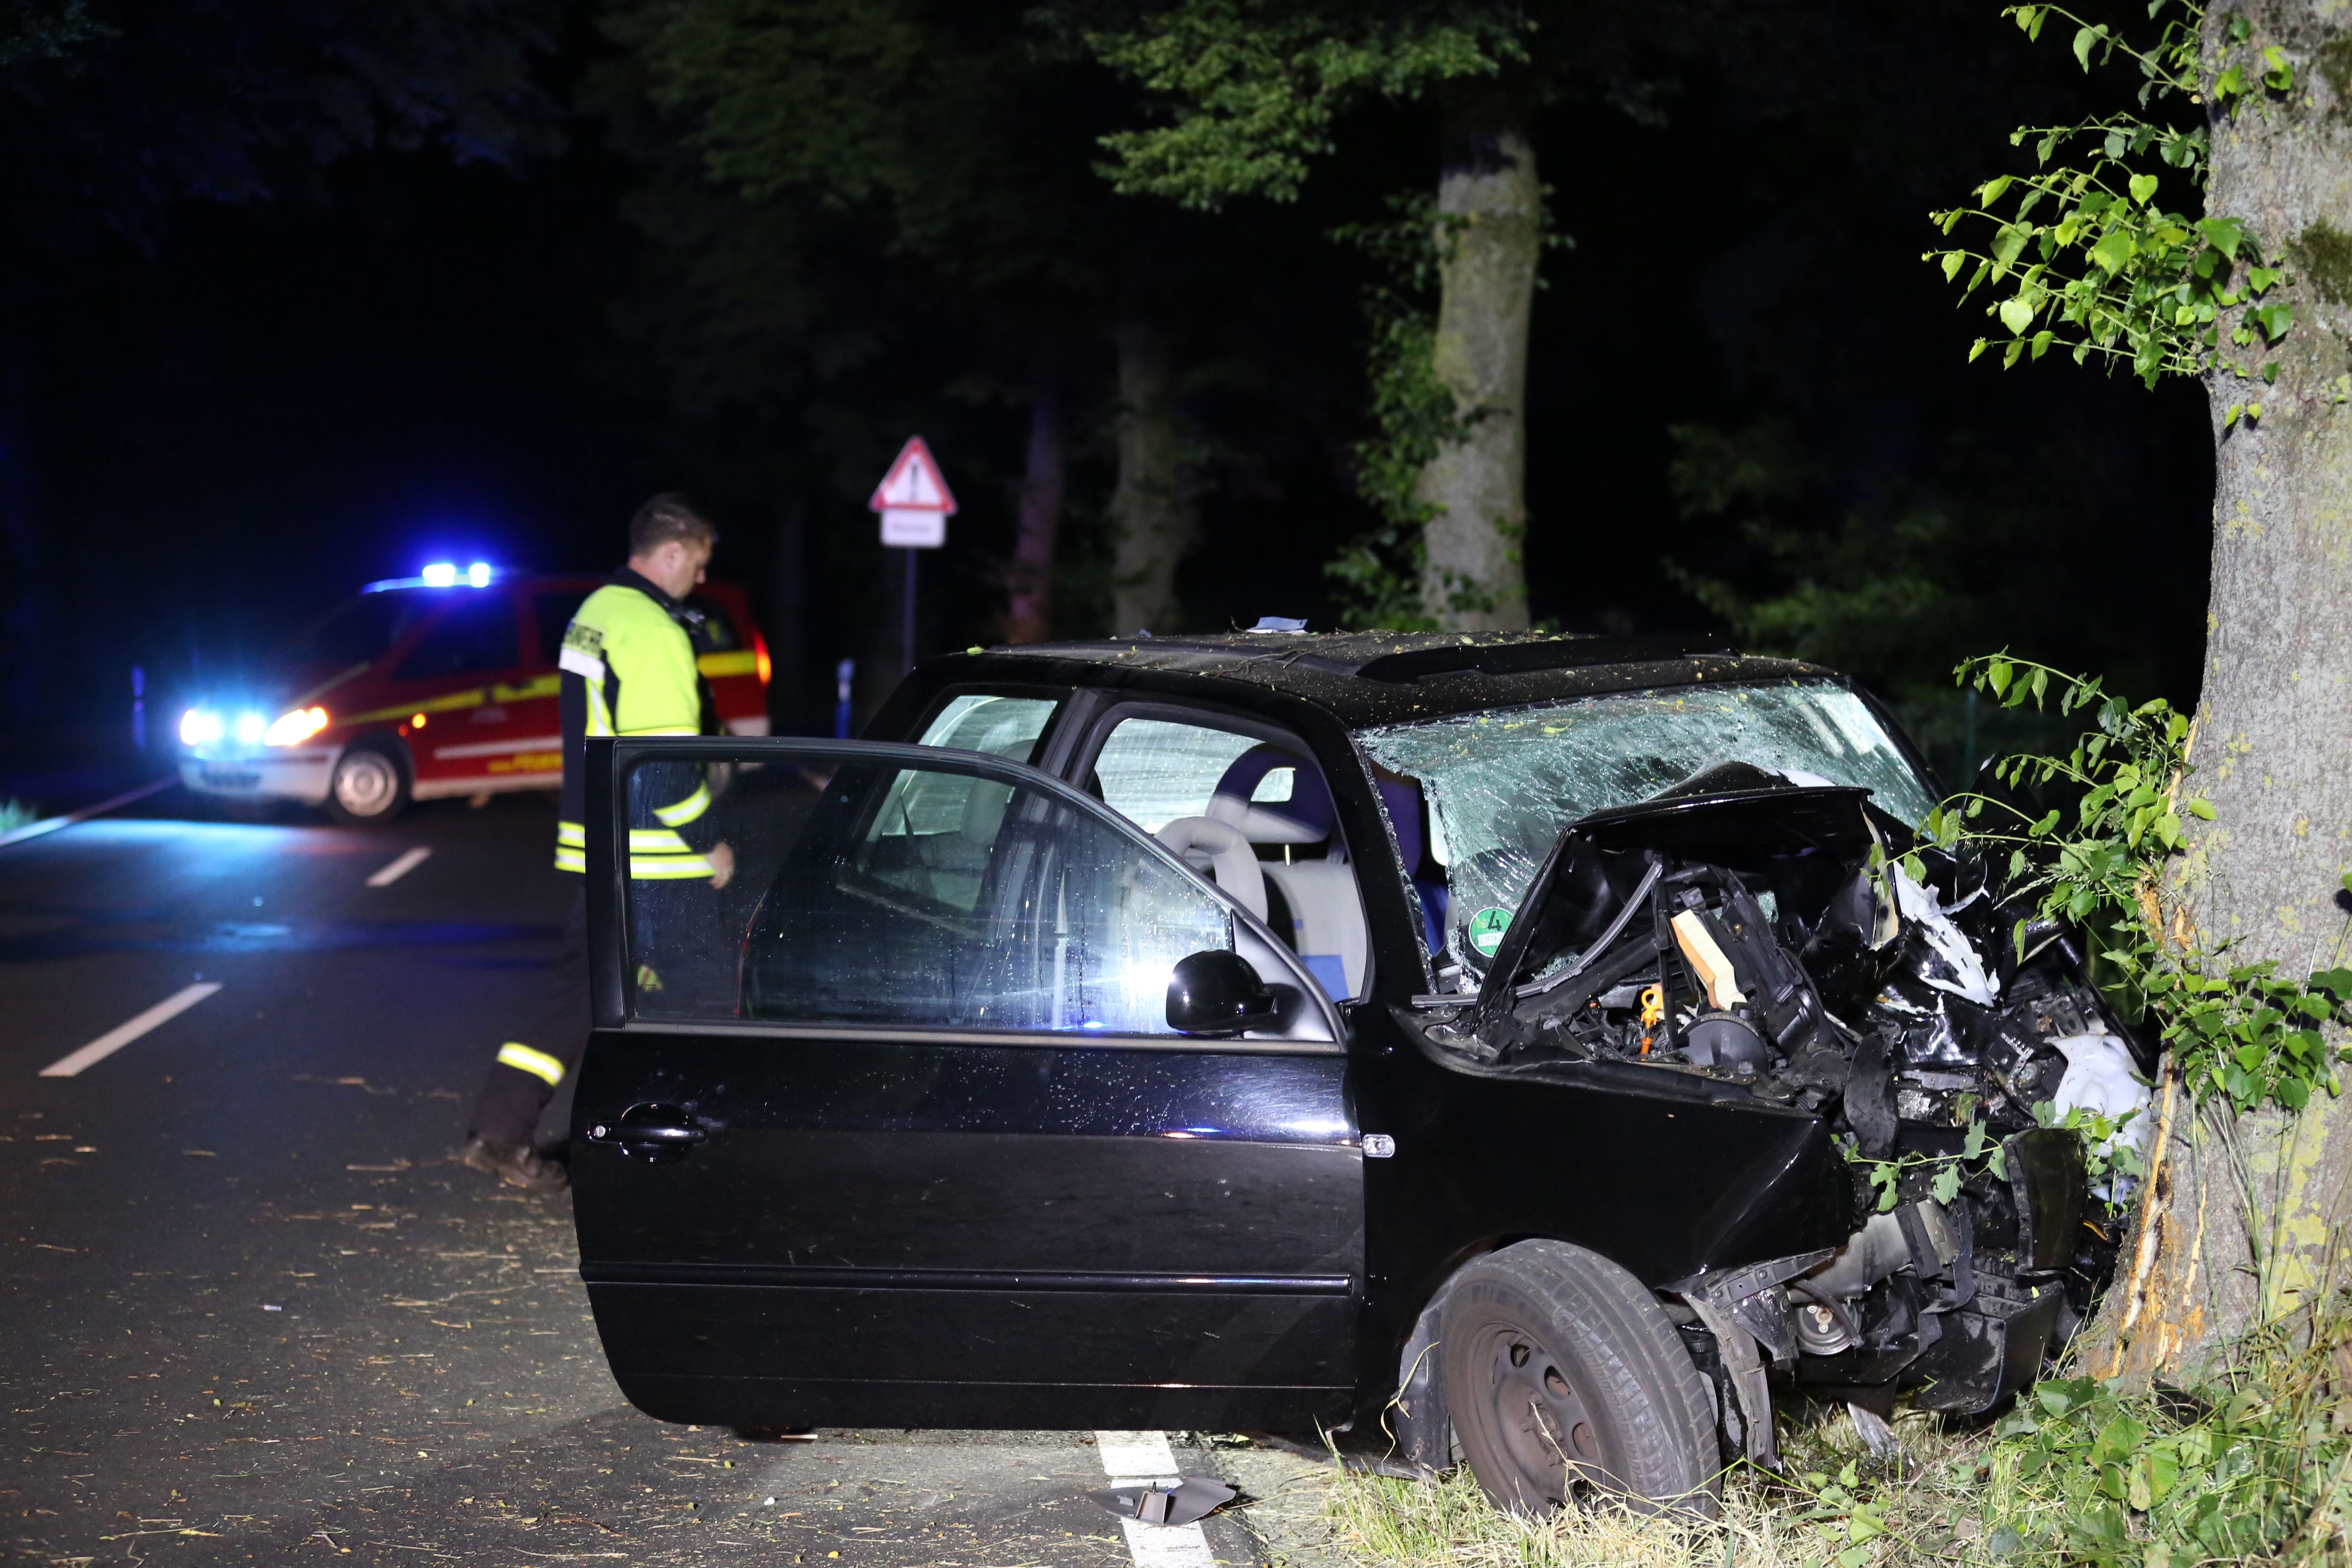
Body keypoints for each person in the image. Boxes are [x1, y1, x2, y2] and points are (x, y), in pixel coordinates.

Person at [458, 494, 735, 1189]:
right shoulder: (652, 629)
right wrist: (710, 842)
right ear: (672, 552)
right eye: (697, 566)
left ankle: (501, 1127)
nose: (698, 582)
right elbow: (664, 762)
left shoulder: (596, 614)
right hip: (656, 860)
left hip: (601, 847)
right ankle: (709, 1155)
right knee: (709, 999)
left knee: (579, 997)